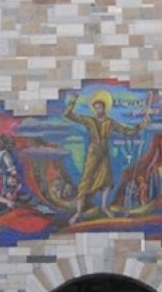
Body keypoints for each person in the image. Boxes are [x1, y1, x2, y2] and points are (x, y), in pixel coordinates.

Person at [64, 90, 150, 224]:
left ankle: (104, 206)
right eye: (96, 108)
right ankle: (79, 212)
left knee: (107, 181)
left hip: (104, 154)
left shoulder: (110, 122)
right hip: (93, 154)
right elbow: (68, 115)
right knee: (85, 181)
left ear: (105, 108)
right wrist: (72, 102)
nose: (98, 110)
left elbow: (126, 131)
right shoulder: (89, 120)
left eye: (100, 107)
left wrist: (140, 126)